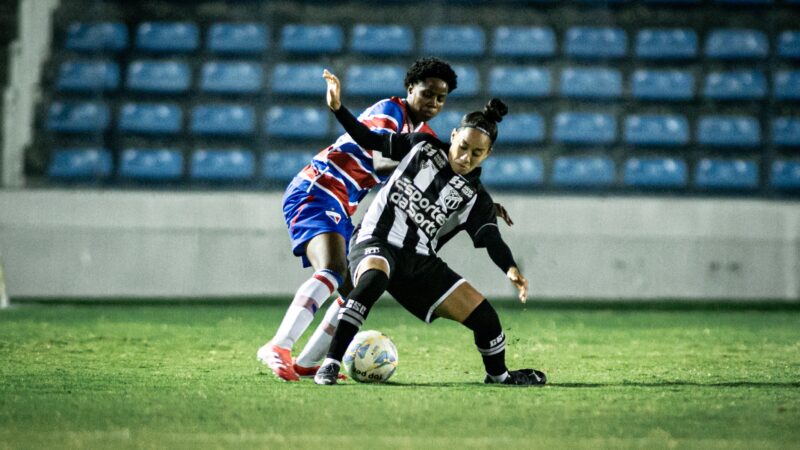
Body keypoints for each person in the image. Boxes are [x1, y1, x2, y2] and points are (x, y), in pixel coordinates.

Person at [258, 57, 517, 381]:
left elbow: (443, 176)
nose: (434, 103)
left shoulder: (423, 134)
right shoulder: (391, 112)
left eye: (441, 98)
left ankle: (308, 362)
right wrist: (425, 170)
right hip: (320, 186)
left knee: (353, 289)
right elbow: (381, 159)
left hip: (344, 200)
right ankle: (278, 346)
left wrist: (478, 201)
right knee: (334, 268)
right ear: (409, 89)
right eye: (427, 93)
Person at [313, 69, 546, 386]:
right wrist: (338, 108)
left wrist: (510, 268)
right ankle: (329, 364)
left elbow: (490, 237)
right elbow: (370, 139)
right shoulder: (421, 146)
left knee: (487, 320)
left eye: (477, 153)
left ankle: (499, 376)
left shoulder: (475, 197)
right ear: (454, 135)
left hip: (419, 260)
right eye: (463, 146)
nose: (466, 157)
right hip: (375, 239)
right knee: (373, 279)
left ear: (488, 154)